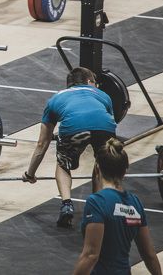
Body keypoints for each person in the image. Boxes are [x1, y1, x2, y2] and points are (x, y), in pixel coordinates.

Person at [22, 67, 117, 229]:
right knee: (101, 163)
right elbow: (109, 124)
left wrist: (30, 174)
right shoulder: (103, 96)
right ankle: (97, 207)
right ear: (89, 81)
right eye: (95, 83)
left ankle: (67, 204)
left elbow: (42, 143)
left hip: (73, 127)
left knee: (63, 163)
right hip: (104, 126)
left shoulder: (56, 99)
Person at [73, 139, 162, 275]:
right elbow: (149, 255)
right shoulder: (135, 203)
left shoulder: (96, 202)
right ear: (125, 171)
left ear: (97, 168)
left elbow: (91, 255)